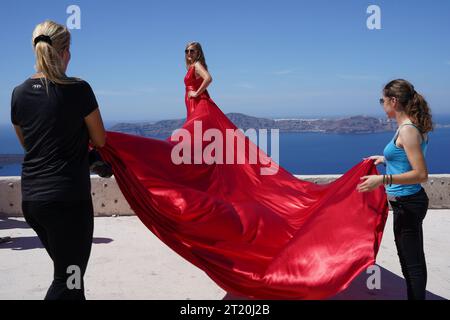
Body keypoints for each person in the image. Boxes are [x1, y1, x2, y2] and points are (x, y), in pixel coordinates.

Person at [97, 41, 388, 299]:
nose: (188, 54)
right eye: (186, 51)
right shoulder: (188, 66)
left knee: (187, 140)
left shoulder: (198, 67)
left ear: (198, 53)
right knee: (195, 145)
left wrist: (197, 92)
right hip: (194, 107)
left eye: (192, 51)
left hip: (201, 106)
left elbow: (210, 78)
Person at [11, 20, 106, 300]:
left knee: (70, 276)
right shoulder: (78, 89)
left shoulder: (18, 93)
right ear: (65, 52)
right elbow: (100, 140)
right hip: (69, 204)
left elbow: (28, 143)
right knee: (68, 282)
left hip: (33, 202)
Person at [358, 79, 432, 300]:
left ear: (394, 101)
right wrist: (383, 159)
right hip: (405, 202)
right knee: (409, 260)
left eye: (382, 100)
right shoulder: (406, 127)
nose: (381, 104)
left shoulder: (408, 130)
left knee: (413, 264)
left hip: (409, 203)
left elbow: (421, 174)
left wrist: (381, 180)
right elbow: (404, 160)